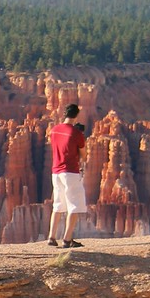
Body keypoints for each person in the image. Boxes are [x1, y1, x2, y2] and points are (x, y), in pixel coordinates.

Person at [46, 103, 87, 248]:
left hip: (55, 172)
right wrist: (81, 137)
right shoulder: (76, 134)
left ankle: (51, 237)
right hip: (70, 172)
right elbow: (84, 155)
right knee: (74, 206)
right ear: (76, 116)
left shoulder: (54, 130)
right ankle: (67, 239)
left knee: (57, 205)